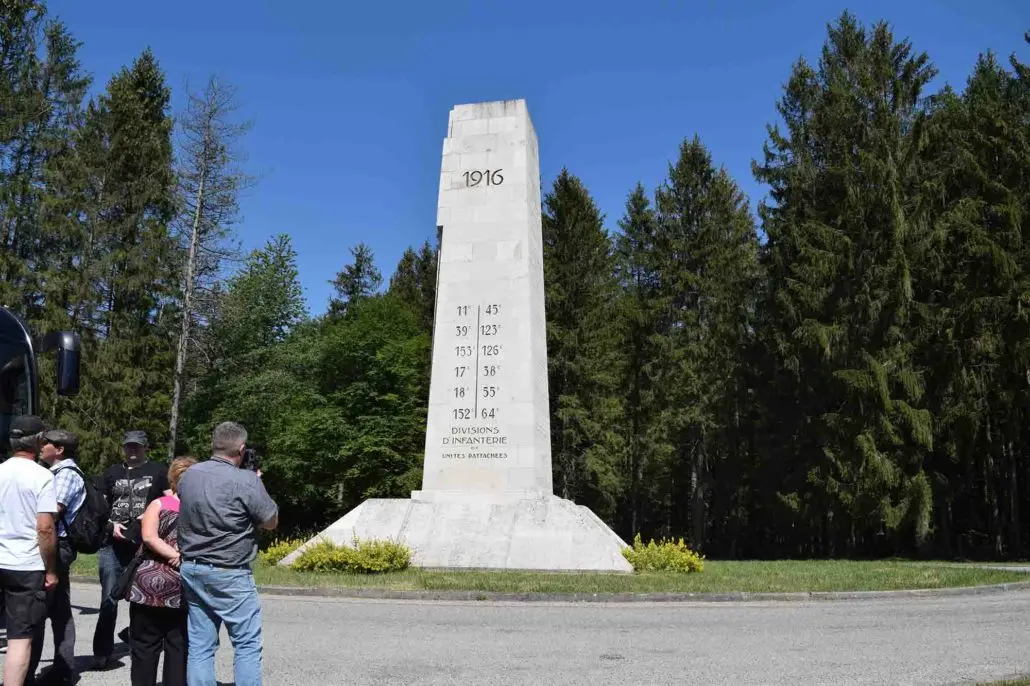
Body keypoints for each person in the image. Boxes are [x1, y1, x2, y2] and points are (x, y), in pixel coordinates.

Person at [178, 422, 278, 686]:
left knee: (200, 644)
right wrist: (257, 485)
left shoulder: (190, 475)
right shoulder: (245, 480)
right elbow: (270, 521)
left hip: (192, 567)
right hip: (230, 570)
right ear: (241, 449)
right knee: (246, 643)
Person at [92, 430, 170, 670]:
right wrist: (110, 524)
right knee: (108, 600)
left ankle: (140, 643)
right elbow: (98, 505)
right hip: (112, 545)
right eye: (128, 446)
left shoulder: (158, 471)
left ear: (146, 447)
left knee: (143, 600)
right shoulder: (112, 473)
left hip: (143, 545)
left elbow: (171, 502)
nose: (132, 450)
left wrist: (150, 516)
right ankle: (102, 652)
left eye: (136, 446)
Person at [126, 456, 196, 686]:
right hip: (181, 584)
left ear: (172, 479)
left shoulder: (157, 504)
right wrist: (180, 556)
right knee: (178, 644)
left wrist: (170, 554)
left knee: (144, 644)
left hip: (147, 585)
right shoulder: (199, 509)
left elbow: (148, 537)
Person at [0, 416, 59, 686]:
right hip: (25, 565)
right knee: (19, 638)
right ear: (38, 441)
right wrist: (50, 569)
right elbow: (45, 528)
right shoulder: (43, 476)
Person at [31, 429, 86, 686]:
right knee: (58, 607)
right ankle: (63, 668)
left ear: (60, 449)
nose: (41, 447)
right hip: (55, 543)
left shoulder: (65, 475)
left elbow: (52, 513)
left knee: (41, 606)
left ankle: (37, 670)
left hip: (56, 545)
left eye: (46, 444)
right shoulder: (55, 473)